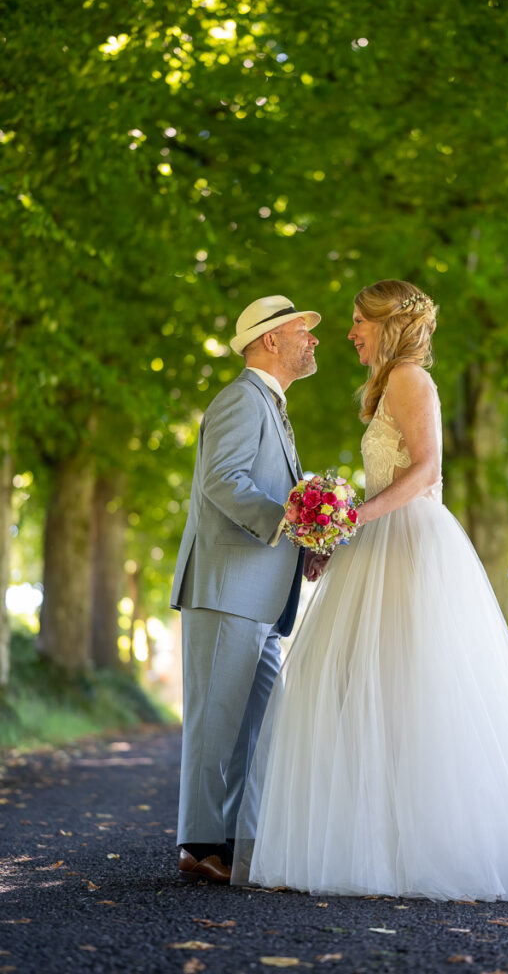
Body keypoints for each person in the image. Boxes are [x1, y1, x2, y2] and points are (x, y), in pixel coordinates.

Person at [233, 279, 508, 903]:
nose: (349, 332)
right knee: (366, 691)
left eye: (358, 321)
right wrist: (339, 531)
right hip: (379, 542)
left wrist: (349, 519)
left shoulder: (409, 380)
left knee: (405, 688)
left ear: (387, 324)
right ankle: (380, 844)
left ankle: (423, 847)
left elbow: (427, 471)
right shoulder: (388, 385)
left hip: (409, 545)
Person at [170, 294, 320, 883]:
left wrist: (305, 540)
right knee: (216, 722)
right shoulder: (240, 398)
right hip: (226, 588)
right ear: (269, 340)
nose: (312, 340)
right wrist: (291, 521)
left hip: (260, 596)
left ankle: (233, 843)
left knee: (254, 729)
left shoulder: (273, 406)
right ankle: (199, 846)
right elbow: (222, 481)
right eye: (301, 331)